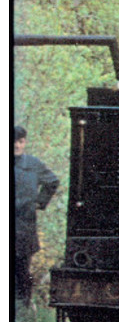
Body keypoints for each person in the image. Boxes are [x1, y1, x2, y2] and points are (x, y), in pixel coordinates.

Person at [14, 126, 59, 305]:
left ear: (24, 142)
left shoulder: (33, 164)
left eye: (20, 141)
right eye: (13, 141)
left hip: (24, 225)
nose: (16, 145)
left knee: (22, 267)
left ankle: (24, 303)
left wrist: (39, 202)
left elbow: (52, 182)